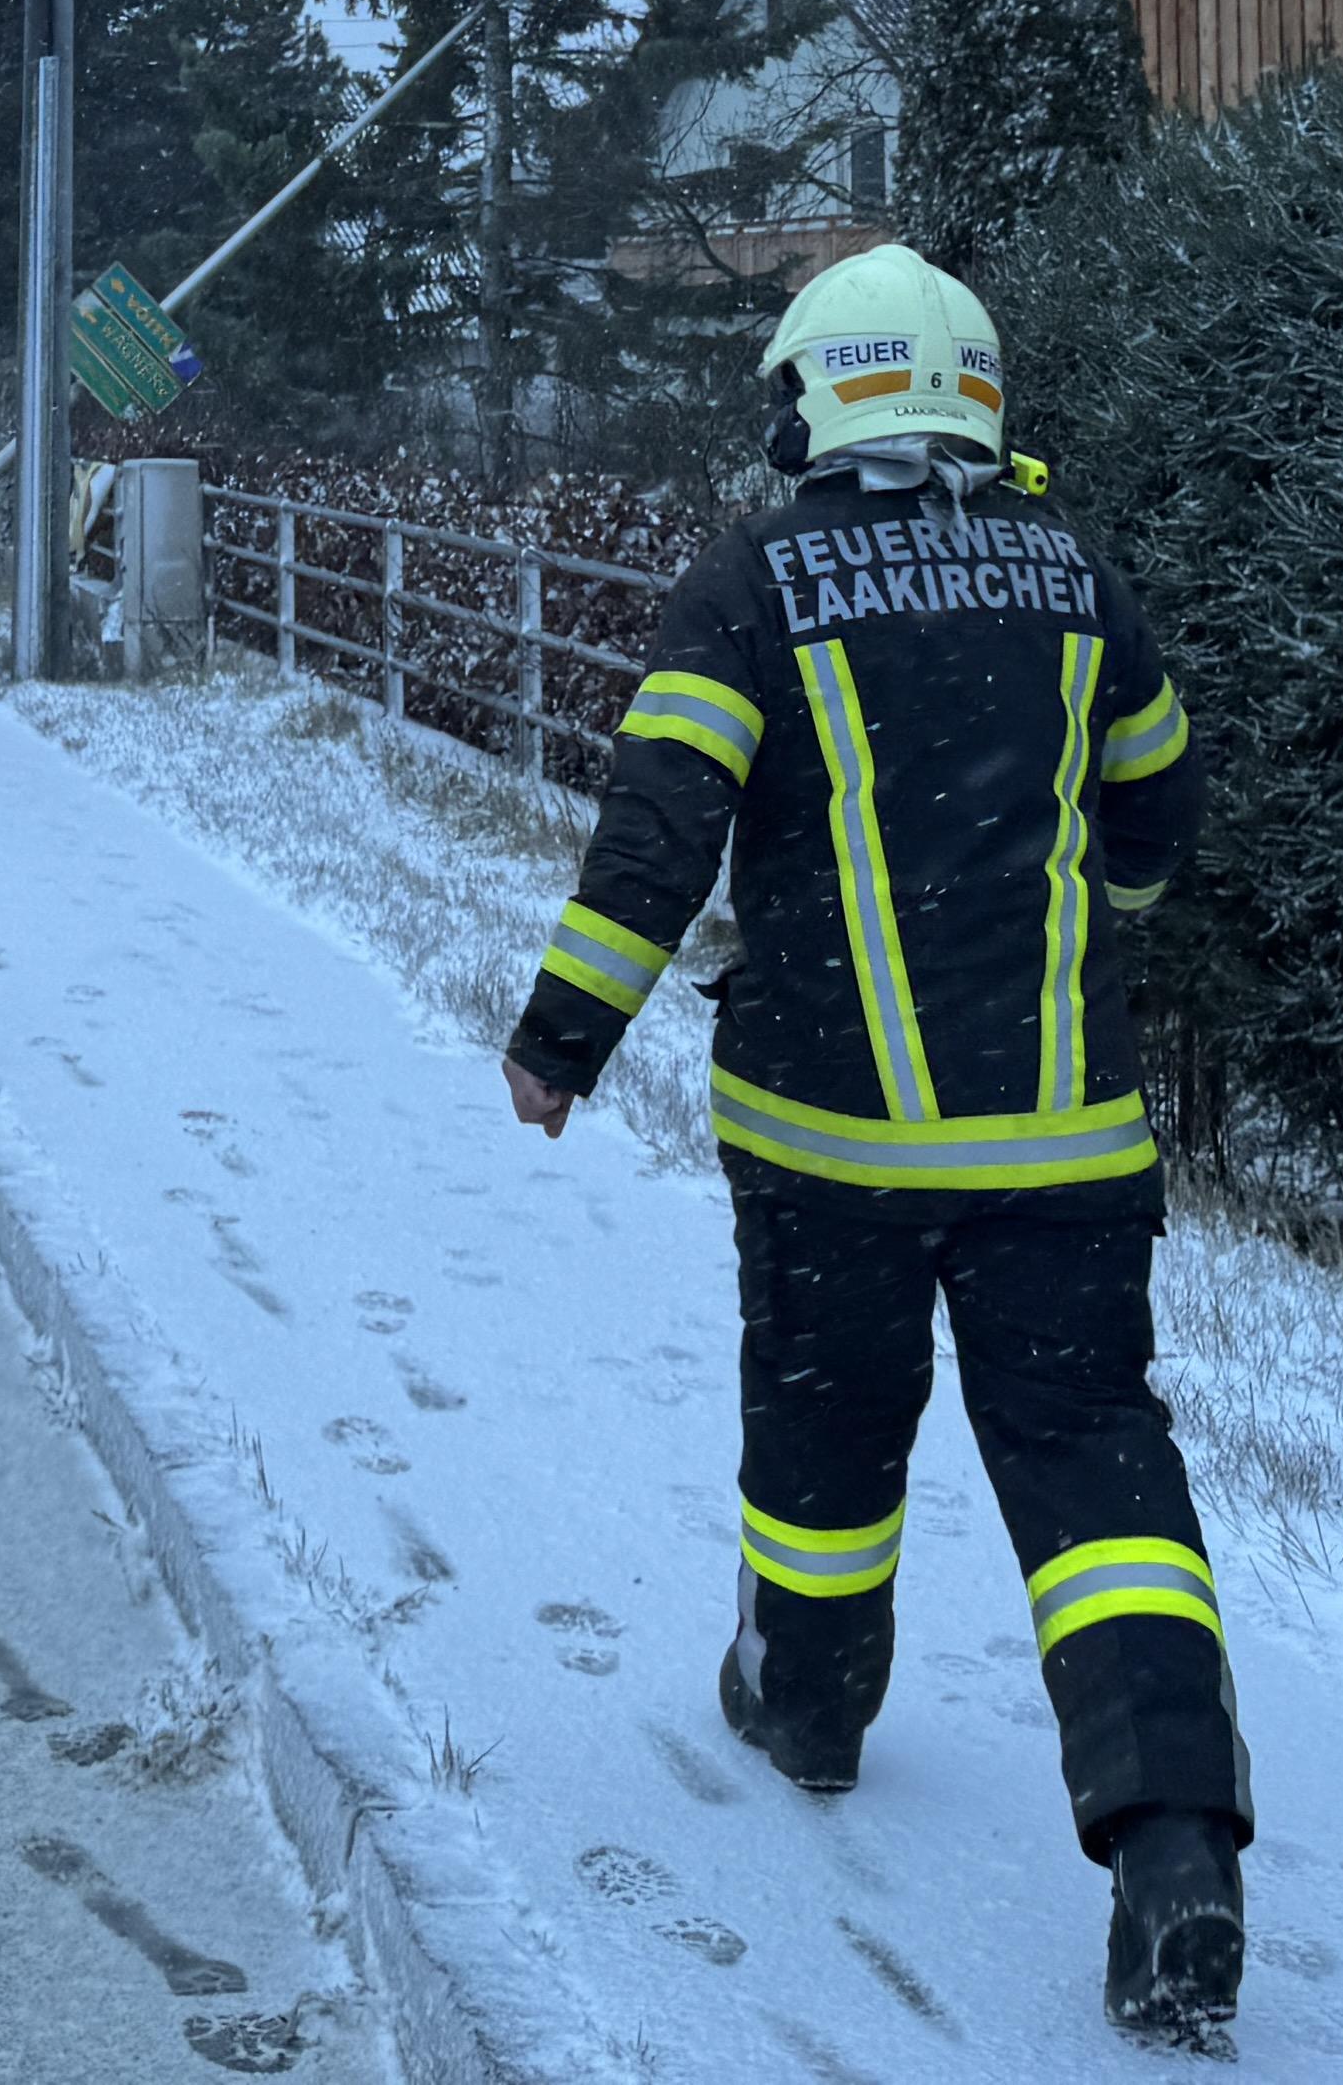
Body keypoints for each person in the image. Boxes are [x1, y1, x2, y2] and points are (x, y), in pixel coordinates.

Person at [501, 242, 1253, 2049]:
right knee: (1092, 1462)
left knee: (830, 1423)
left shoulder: (753, 579)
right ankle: (1171, 1841)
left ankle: (811, 1701)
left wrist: (558, 1039)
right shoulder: (1076, 571)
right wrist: (1088, 923)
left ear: (814, 395)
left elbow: (660, 829)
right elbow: (1156, 814)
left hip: (830, 1136)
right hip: (1062, 1133)